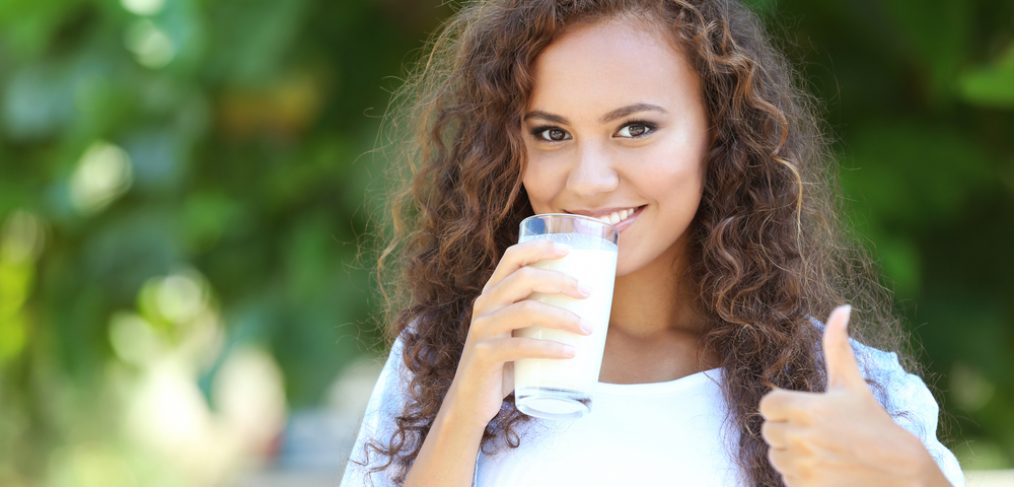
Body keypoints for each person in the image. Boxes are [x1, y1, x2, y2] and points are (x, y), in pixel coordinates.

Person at [341, 1, 965, 486]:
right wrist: (462, 405)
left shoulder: (837, 389)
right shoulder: (443, 358)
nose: (587, 180)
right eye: (551, 133)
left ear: (718, 136)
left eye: (635, 128)